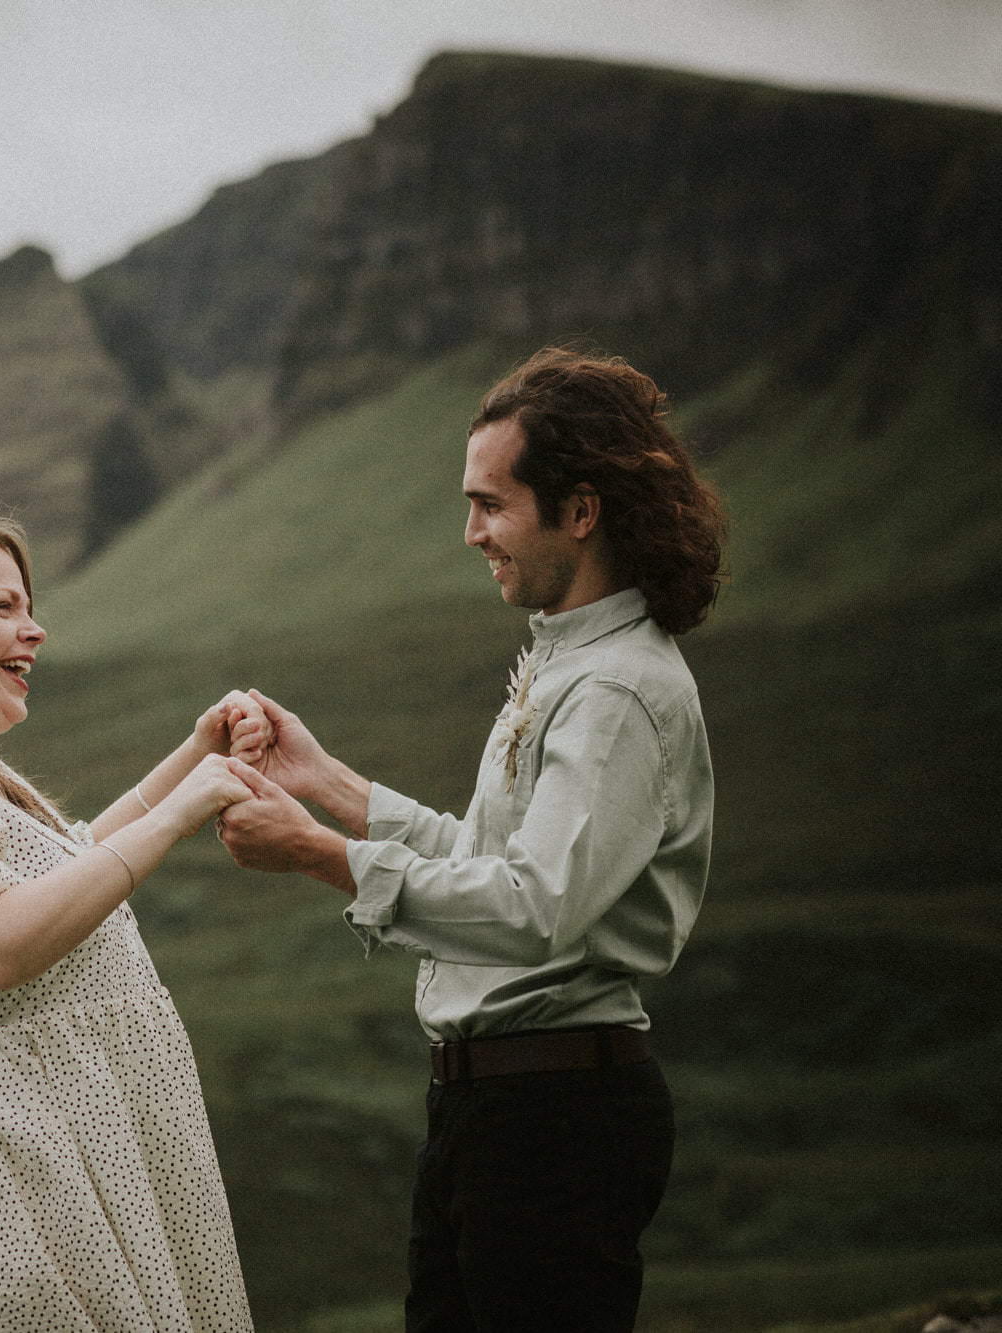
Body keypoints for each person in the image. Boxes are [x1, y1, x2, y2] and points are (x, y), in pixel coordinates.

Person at [215, 347, 726, 1331]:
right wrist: (328, 784)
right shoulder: (567, 662)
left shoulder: (614, 691)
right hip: (498, 1109)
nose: (470, 533)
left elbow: (533, 908)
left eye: (491, 504)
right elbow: (494, 861)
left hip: (554, 1118)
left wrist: (318, 853)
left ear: (579, 511)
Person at [0, 510, 267, 1332]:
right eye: (3, 607)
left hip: (44, 1173)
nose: (34, 630)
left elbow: (75, 866)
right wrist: (181, 815)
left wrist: (195, 758)